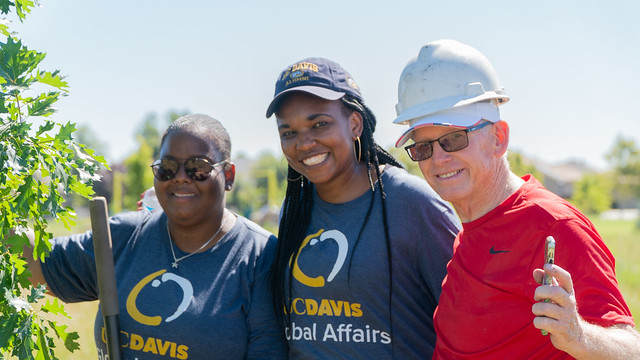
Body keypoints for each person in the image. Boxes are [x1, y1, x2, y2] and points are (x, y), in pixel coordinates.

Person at [392, 39, 640, 359]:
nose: (437, 159)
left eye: (454, 139)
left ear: (498, 138)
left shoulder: (553, 225)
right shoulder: (470, 227)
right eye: (423, 148)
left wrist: (579, 335)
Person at [25, 114, 287, 359]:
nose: (180, 178)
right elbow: (29, 260)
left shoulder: (259, 256)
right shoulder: (124, 236)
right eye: (167, 168)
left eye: (198, 167)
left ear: (228, 176)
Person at [265, 57, 461, 359]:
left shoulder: (411, 203)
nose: (304, 143)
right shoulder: (295, 211)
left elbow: (466, 320)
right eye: (288, 132)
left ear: (355, 123)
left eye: (319, 124)